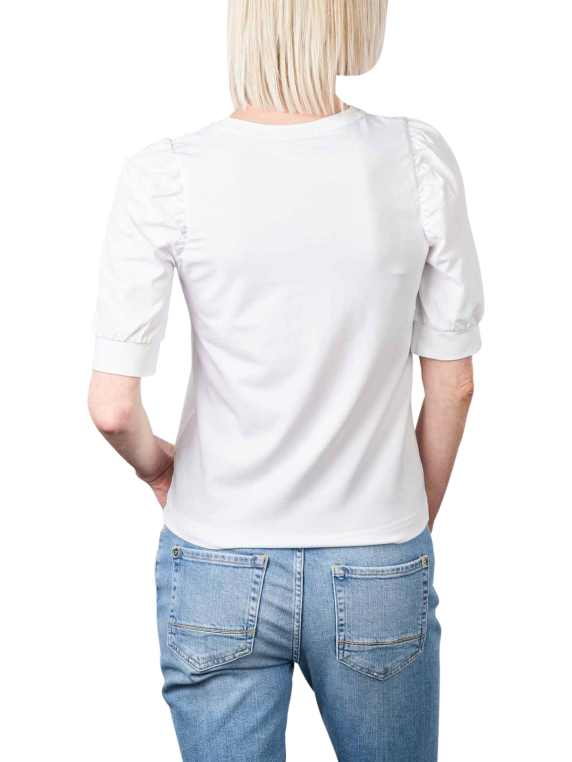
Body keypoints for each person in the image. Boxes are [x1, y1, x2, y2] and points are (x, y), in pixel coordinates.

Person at [86, 1, 484, 759]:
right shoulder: (416, 155)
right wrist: (409, 528)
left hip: (215, 554)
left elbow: (111, 408)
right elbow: (453, 383)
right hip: (376, 552)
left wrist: (159, 470)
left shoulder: (165, 173)